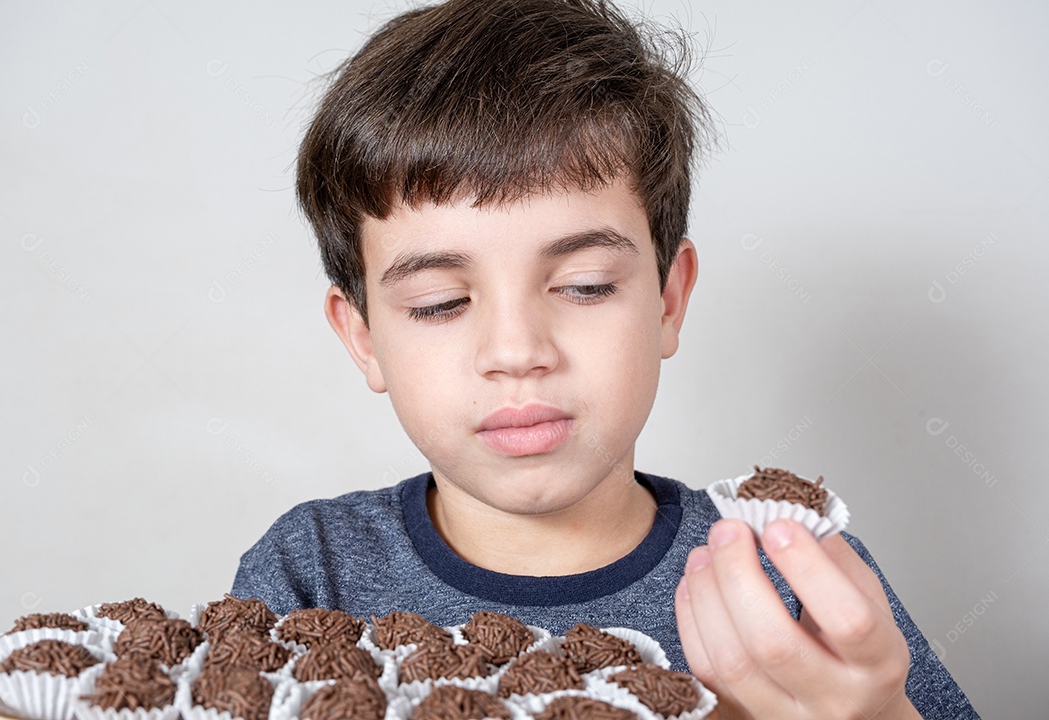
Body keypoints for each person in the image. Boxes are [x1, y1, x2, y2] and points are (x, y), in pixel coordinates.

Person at [231, 0, 979, 716]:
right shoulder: (310, 573)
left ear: (667, 301)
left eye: (584, 287)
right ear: (363, 337)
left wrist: (876, 712)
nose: (517, 352)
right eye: (440, 303)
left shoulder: (792, 578)